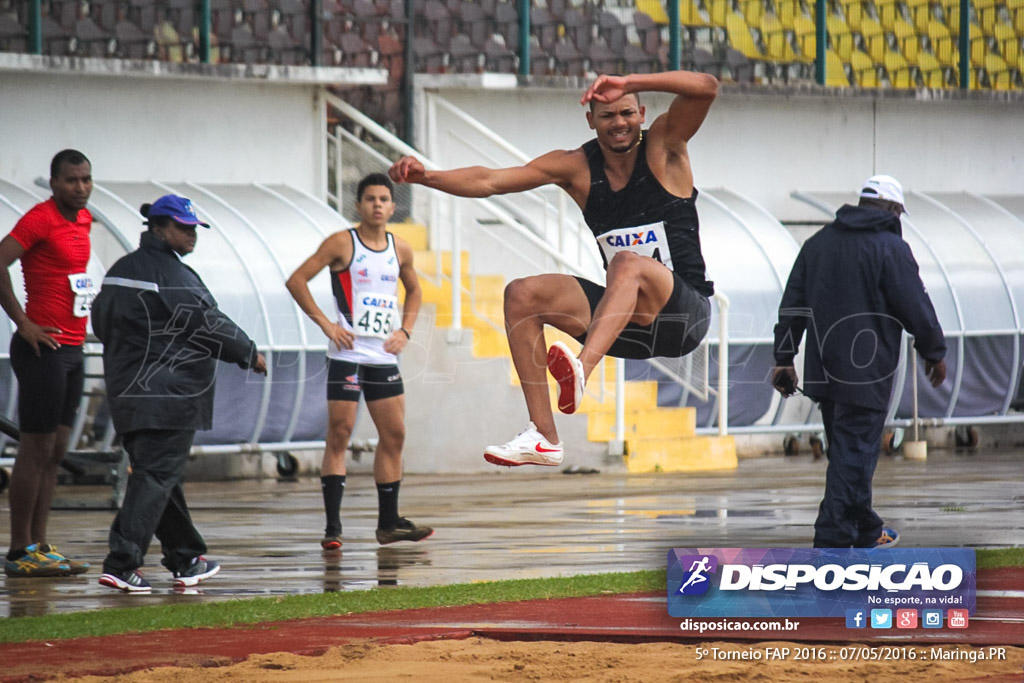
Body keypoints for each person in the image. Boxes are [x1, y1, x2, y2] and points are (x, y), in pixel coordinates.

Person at [389, 70, 718, 467]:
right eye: (608, 116)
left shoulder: (665, 146)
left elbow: (707, 88)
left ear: (642, 112)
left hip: (686, 316)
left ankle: (581, 369)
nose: (619, 123)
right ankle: (543, 436)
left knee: (627, 263)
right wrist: (429, 177)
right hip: (628, 326)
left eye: (627, 113)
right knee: (521, 294)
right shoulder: (575, 167)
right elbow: (492, 180)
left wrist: (630, 80)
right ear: (590, 120)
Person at [91, 195, 268, 592]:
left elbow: (101, 324)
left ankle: (186, 557)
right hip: (169, 396)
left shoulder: (120, 271)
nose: (191, 235)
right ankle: (122, 562)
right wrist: (248, 352)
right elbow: (207, 322)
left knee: (159, 475)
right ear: (157, 228)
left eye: (193, 228)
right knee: (155, 476)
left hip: (128, 393)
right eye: (182, 227)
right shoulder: (172, 275)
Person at [771, 174, 947, 549]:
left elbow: (793, 305)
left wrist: (784, 358)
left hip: (824, 371)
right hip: (867, 373)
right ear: (893, 210)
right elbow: (914, 303)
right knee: (853, 456)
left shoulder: (817, 244)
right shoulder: (890, 248)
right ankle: (832, 538)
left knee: (849, 455)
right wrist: (934, 351)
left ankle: (866, 529)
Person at [286, 173, 432, 550]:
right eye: (370, 199)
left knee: (395, 435)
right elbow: (297, 280)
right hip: (348, 355)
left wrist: (406, 331)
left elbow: (415, 290)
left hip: (383, 357)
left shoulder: (400, 249)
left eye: (384, 199)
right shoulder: (341, 243)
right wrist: (327, 325)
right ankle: (333, 529)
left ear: (393, 206)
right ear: (359, 205)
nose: (378, 205)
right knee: (340, 433)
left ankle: (388, 523)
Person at [1, 149, 94, 578]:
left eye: (86, 179)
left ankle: (40, 544)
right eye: (72, 180)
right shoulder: (40, 218)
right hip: (43, 348)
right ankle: (19, 549)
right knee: (35, 448)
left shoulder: (85, 219)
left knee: (56, 450)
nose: (80, 188)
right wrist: (23, 323)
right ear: (55, 182)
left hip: (74, 348)